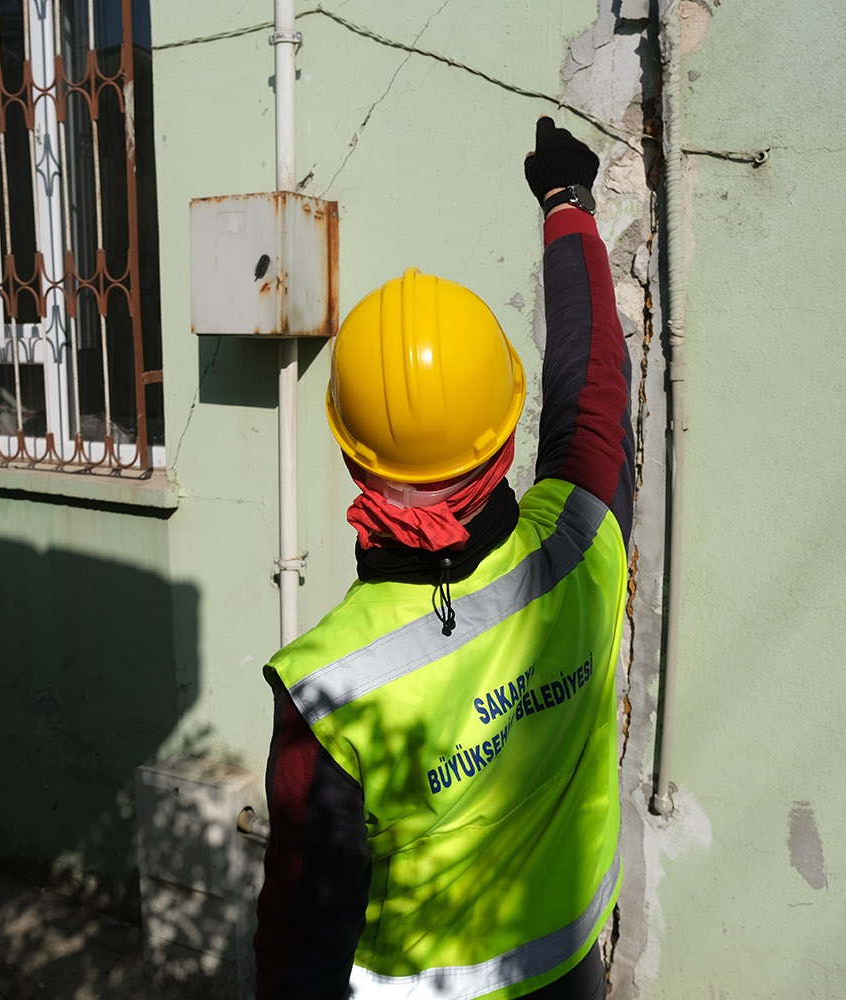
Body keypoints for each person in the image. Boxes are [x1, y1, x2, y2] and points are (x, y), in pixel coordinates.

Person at [254, 116, 634, 1000]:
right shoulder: (582, 547)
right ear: (506, 439)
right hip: (574, 976)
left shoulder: (330, 692)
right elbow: (593, 382)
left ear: (354, 457)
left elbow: (301, 938)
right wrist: (567, 204)